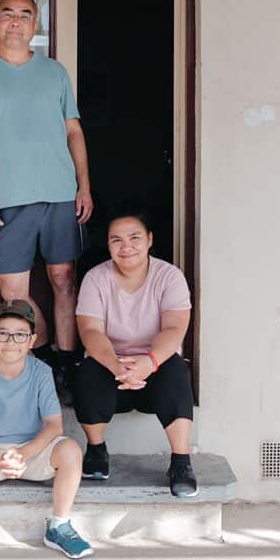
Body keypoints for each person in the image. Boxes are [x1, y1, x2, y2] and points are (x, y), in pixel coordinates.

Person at [0, 0, 93, 402]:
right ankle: (46, 359)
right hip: (5, 199)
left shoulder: (55, 73)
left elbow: (74, 132)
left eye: (24, 15)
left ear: (35, 26)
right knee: (13, 293)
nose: (15, 21)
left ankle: (66, 366)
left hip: (59, 194)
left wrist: (84, 186)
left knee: (63, 279)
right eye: (7, 13)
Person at [0, 300, 93, 560]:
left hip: (33, 451)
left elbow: (54, 425)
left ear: (32, 340)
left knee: (70, 450)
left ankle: (59, 526)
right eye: (2, 333)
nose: (11, 341)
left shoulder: (41, 373)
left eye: (20, 334)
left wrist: (22, 453)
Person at [72, 207, 198, 497]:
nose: (126, 246)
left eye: (134, 238)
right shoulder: (96, 278)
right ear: (108, 245)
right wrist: (116, 365)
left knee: (176, 370)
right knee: (88, 371)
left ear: (150, 239)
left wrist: (149, 362)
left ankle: (181, 462)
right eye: (116, 240)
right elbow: (90, 332)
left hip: (154, 370)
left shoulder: (169, 276)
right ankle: (96, 450)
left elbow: (174, 328)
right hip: (112, 370)